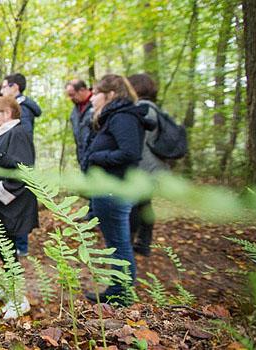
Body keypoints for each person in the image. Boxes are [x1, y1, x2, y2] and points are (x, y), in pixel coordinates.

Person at [81, 74, 154, 305]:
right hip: (108, 188)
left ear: (111, 95)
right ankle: (116, 288)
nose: (92, 99)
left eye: (96, 93)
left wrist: (96, 156)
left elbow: (130, 153)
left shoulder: (122, 117)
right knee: (115, 243)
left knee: (119, 243)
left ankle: (121, 294)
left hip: (115, 189)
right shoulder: (114, 117)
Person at [0, 95, 38, 319]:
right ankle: (8, 289)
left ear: (8, 113)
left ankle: (19, 299)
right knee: (5, 251)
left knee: (9, 252)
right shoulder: (3, 134)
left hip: (11, 206)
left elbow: (21, 172)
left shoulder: (18, 133)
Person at [127, 73, 168, 256]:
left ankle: (130, 242)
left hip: (144, 167)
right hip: (154, 166)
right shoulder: (154, 108)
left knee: (135, 205)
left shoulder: (142, 109)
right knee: (144, 203)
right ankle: (143, 244)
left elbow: (139, 142)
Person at [66, 79, 94, 165]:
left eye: (72, 95)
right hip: (83, 158)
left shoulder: (98, 104)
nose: (70, 98)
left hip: (96, 156)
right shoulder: (75, 111)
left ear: (82, 90)